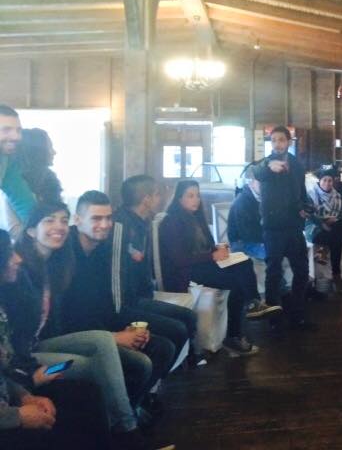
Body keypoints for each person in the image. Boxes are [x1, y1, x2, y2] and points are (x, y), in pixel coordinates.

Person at [11, 205, 161, 446]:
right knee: (92, 365)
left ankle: (123, 424)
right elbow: (12, 339)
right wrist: (26, 378)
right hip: (28, 360)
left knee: (139, 362)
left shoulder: (58, 264)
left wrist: (116, 335)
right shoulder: (17, 271)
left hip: (47, 344)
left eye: (63, 220)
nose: (59, 226)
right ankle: (127, 432)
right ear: (30, 231)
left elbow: (74, 315)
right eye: (49, 220)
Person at [0, 228, 113, 450]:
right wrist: (20, 408)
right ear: (32, 231)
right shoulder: (24, 278)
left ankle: (127, 428)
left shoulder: (56, 270)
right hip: (26, 373)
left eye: (63, 220)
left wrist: (23, 395)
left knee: (89, 387)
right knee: (86, 367)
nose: (17, 258)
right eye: (8, 253)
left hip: (22, 375)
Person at [74, 190, 196, 373]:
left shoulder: (100, 248)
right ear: (77, 220)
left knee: (174, 333)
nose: (105, 225)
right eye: (96, 219)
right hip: (82, 328)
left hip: (111, 312)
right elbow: (75, 311)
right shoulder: (69, 254)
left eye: (108, 218)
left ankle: (148, 388)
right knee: (159, 349)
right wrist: (114, 335)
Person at [159, 180, 279, 357]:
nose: (196, 200)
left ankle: (253, 303)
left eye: (197, 195)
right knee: (237, 283)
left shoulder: (196, 218)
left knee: (244, 262)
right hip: (186, 271)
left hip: (202, 265)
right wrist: (212, 256)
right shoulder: (171, 222)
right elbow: (179, 259)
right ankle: (234, 335)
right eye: (190, 196)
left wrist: (218, 250)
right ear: (179, 199)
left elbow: (205, 247)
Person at [253, 126, 314, 330]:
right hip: (273, 227)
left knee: (302, 271)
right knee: (274, 273)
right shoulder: (265, 163)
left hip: (294, 225)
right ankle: (274, 319)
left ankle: (298, 315)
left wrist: (305, 208)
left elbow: (301, 191)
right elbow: (255, 172)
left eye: (281, 139)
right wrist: (269, 166)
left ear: (289, 142)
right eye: (274, 140)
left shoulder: (296, 164)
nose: (277, 143)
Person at [0, 105, 36, 235]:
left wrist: (39, 227)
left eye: (18, 130)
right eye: (6, 130)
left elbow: (24, 201)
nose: (16, 137)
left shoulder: (6, 161)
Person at [306, 169, 342, 279]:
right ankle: (335, 272)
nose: (327, 183)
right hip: (314, 226)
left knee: (339, 228)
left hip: (331, 225)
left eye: (330, 181)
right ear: (319, 181)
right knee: (336, 239)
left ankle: (326, 259)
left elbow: (340, 214)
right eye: (324, 180)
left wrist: (333, 220)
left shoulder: (337, 196)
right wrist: (322, 223)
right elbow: (309, 215)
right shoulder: (311, 194)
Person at [16, 129, 62, 206]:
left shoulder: (50, 181)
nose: (54, 152)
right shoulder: (16, 185)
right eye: (50, 147)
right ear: (38, 151)